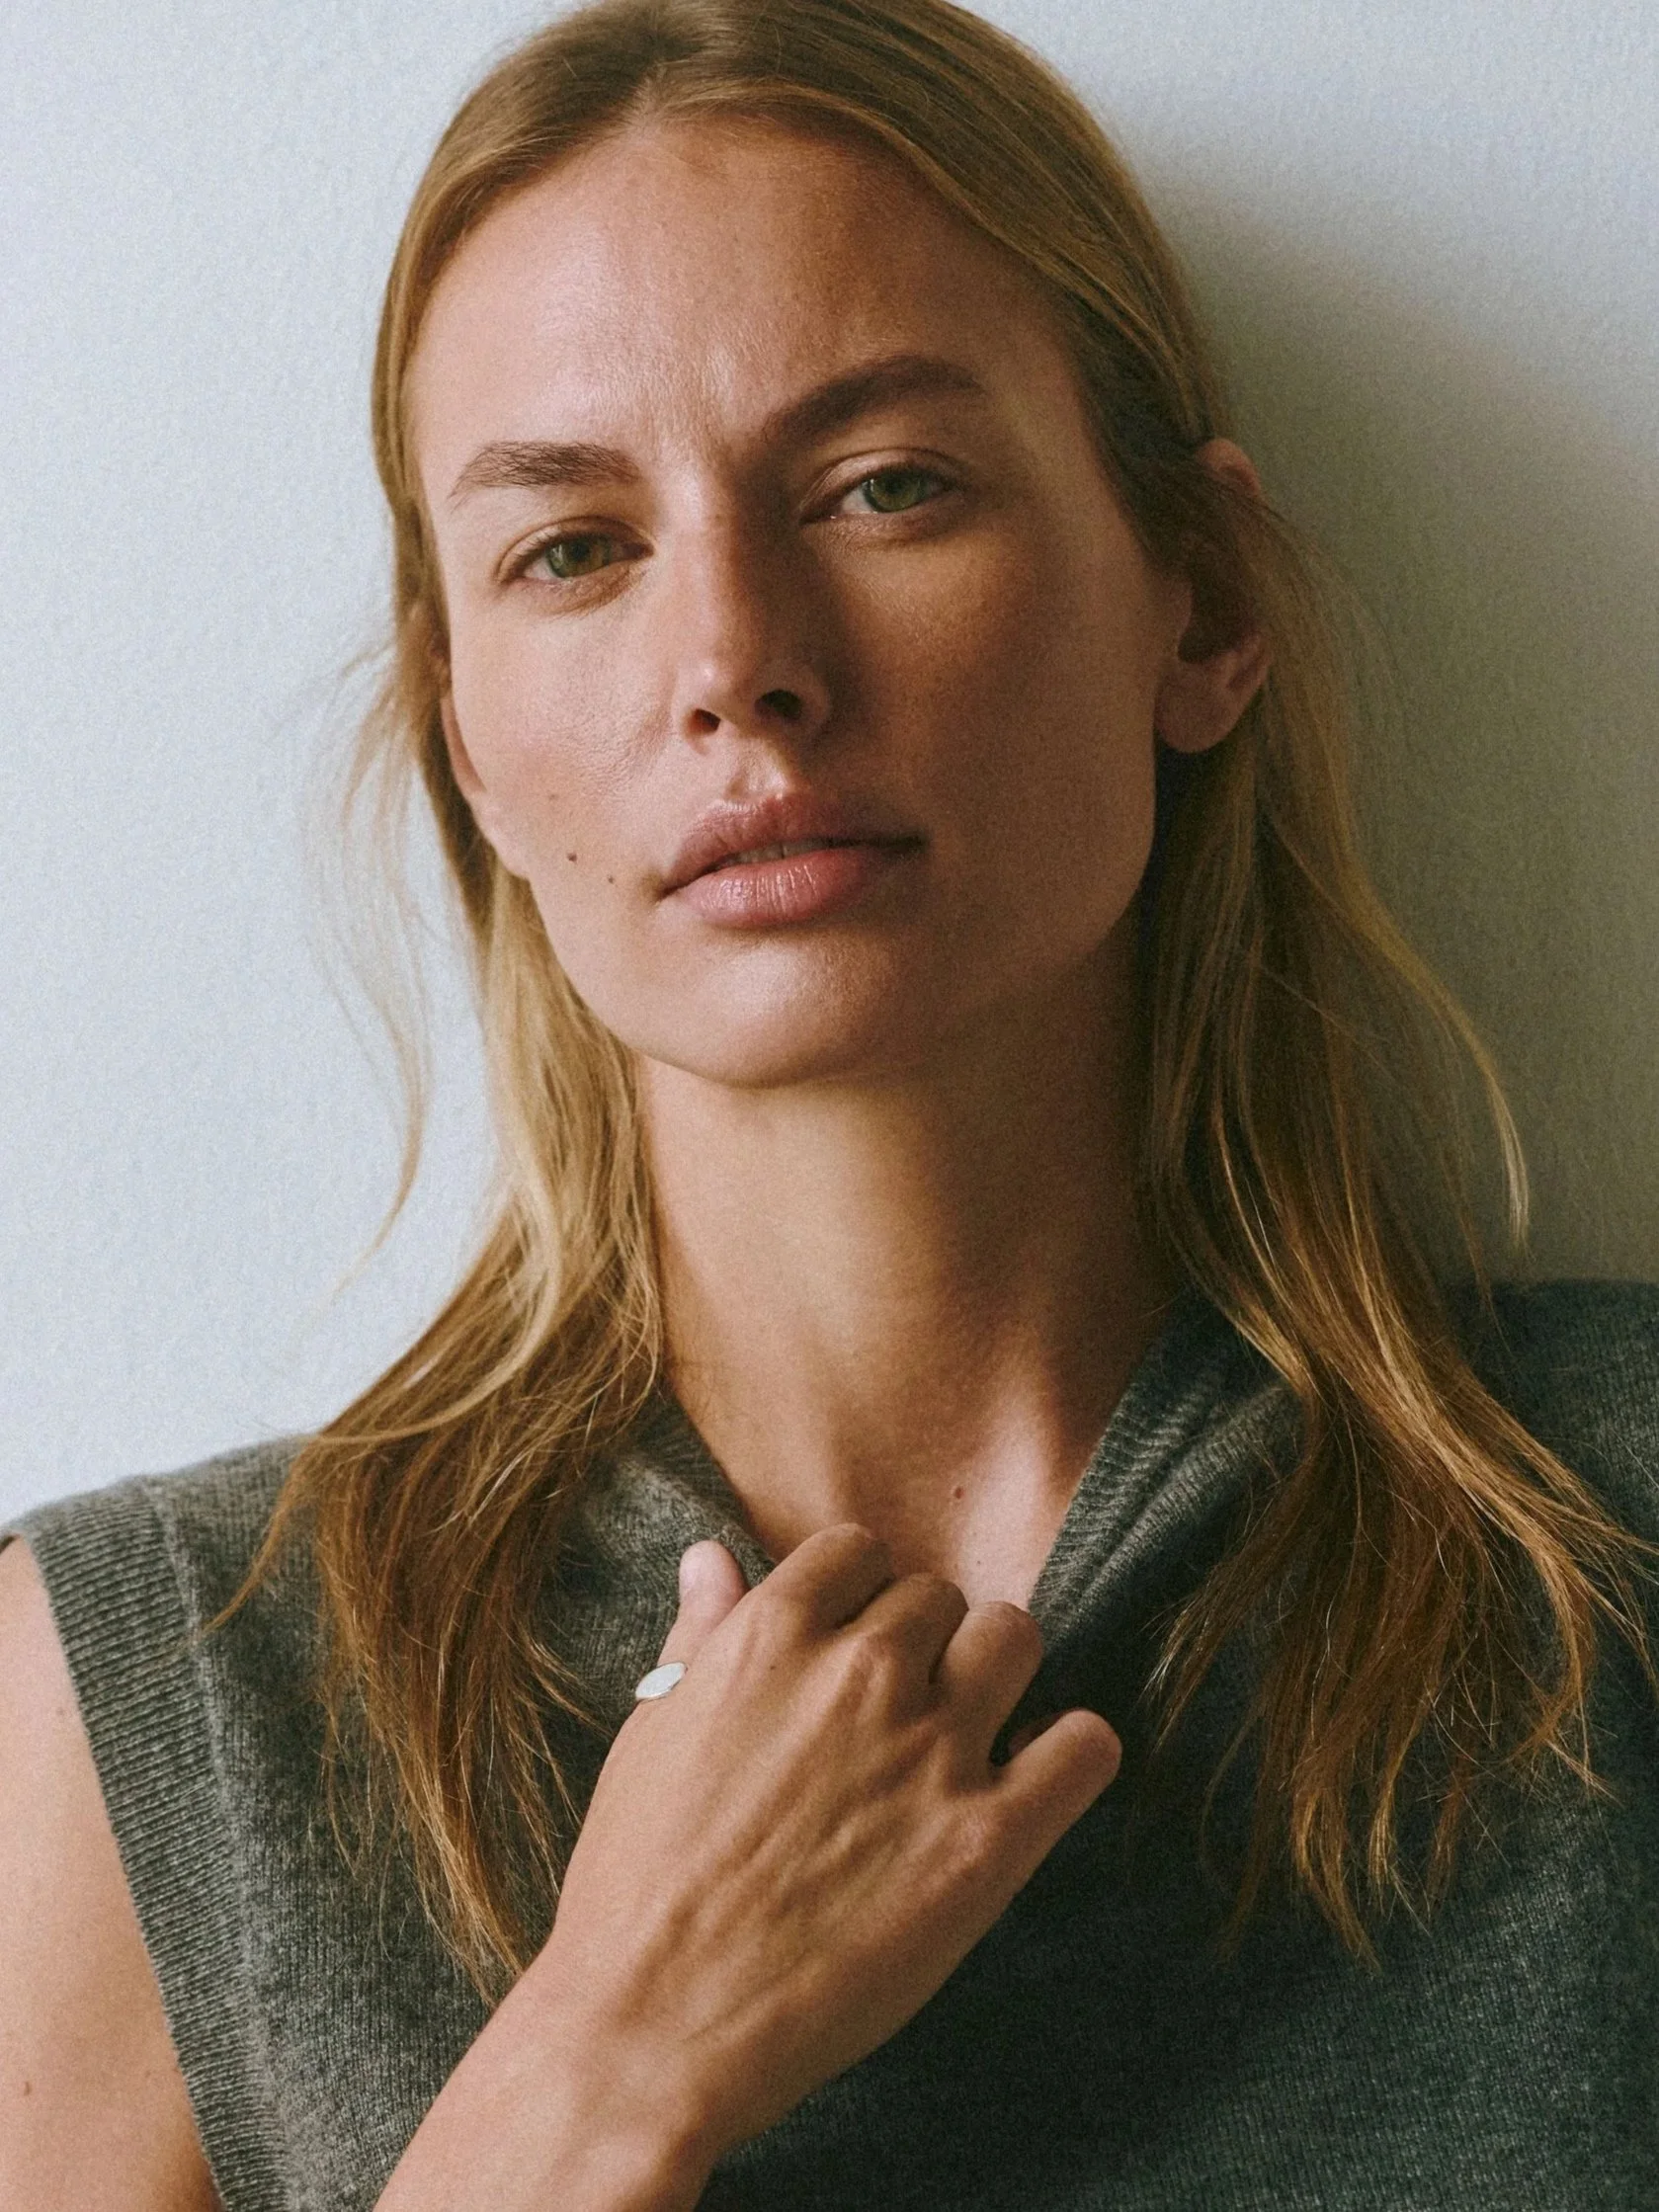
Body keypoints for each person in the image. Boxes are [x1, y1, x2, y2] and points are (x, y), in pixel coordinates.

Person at [2, 0, 1656, 2205]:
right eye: (572, 548)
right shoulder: (150, 1707)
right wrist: (601, 2062)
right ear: (465, 732)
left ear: (1200, 601)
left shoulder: (1615, 1536)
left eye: (885, 488)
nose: (735, 666)